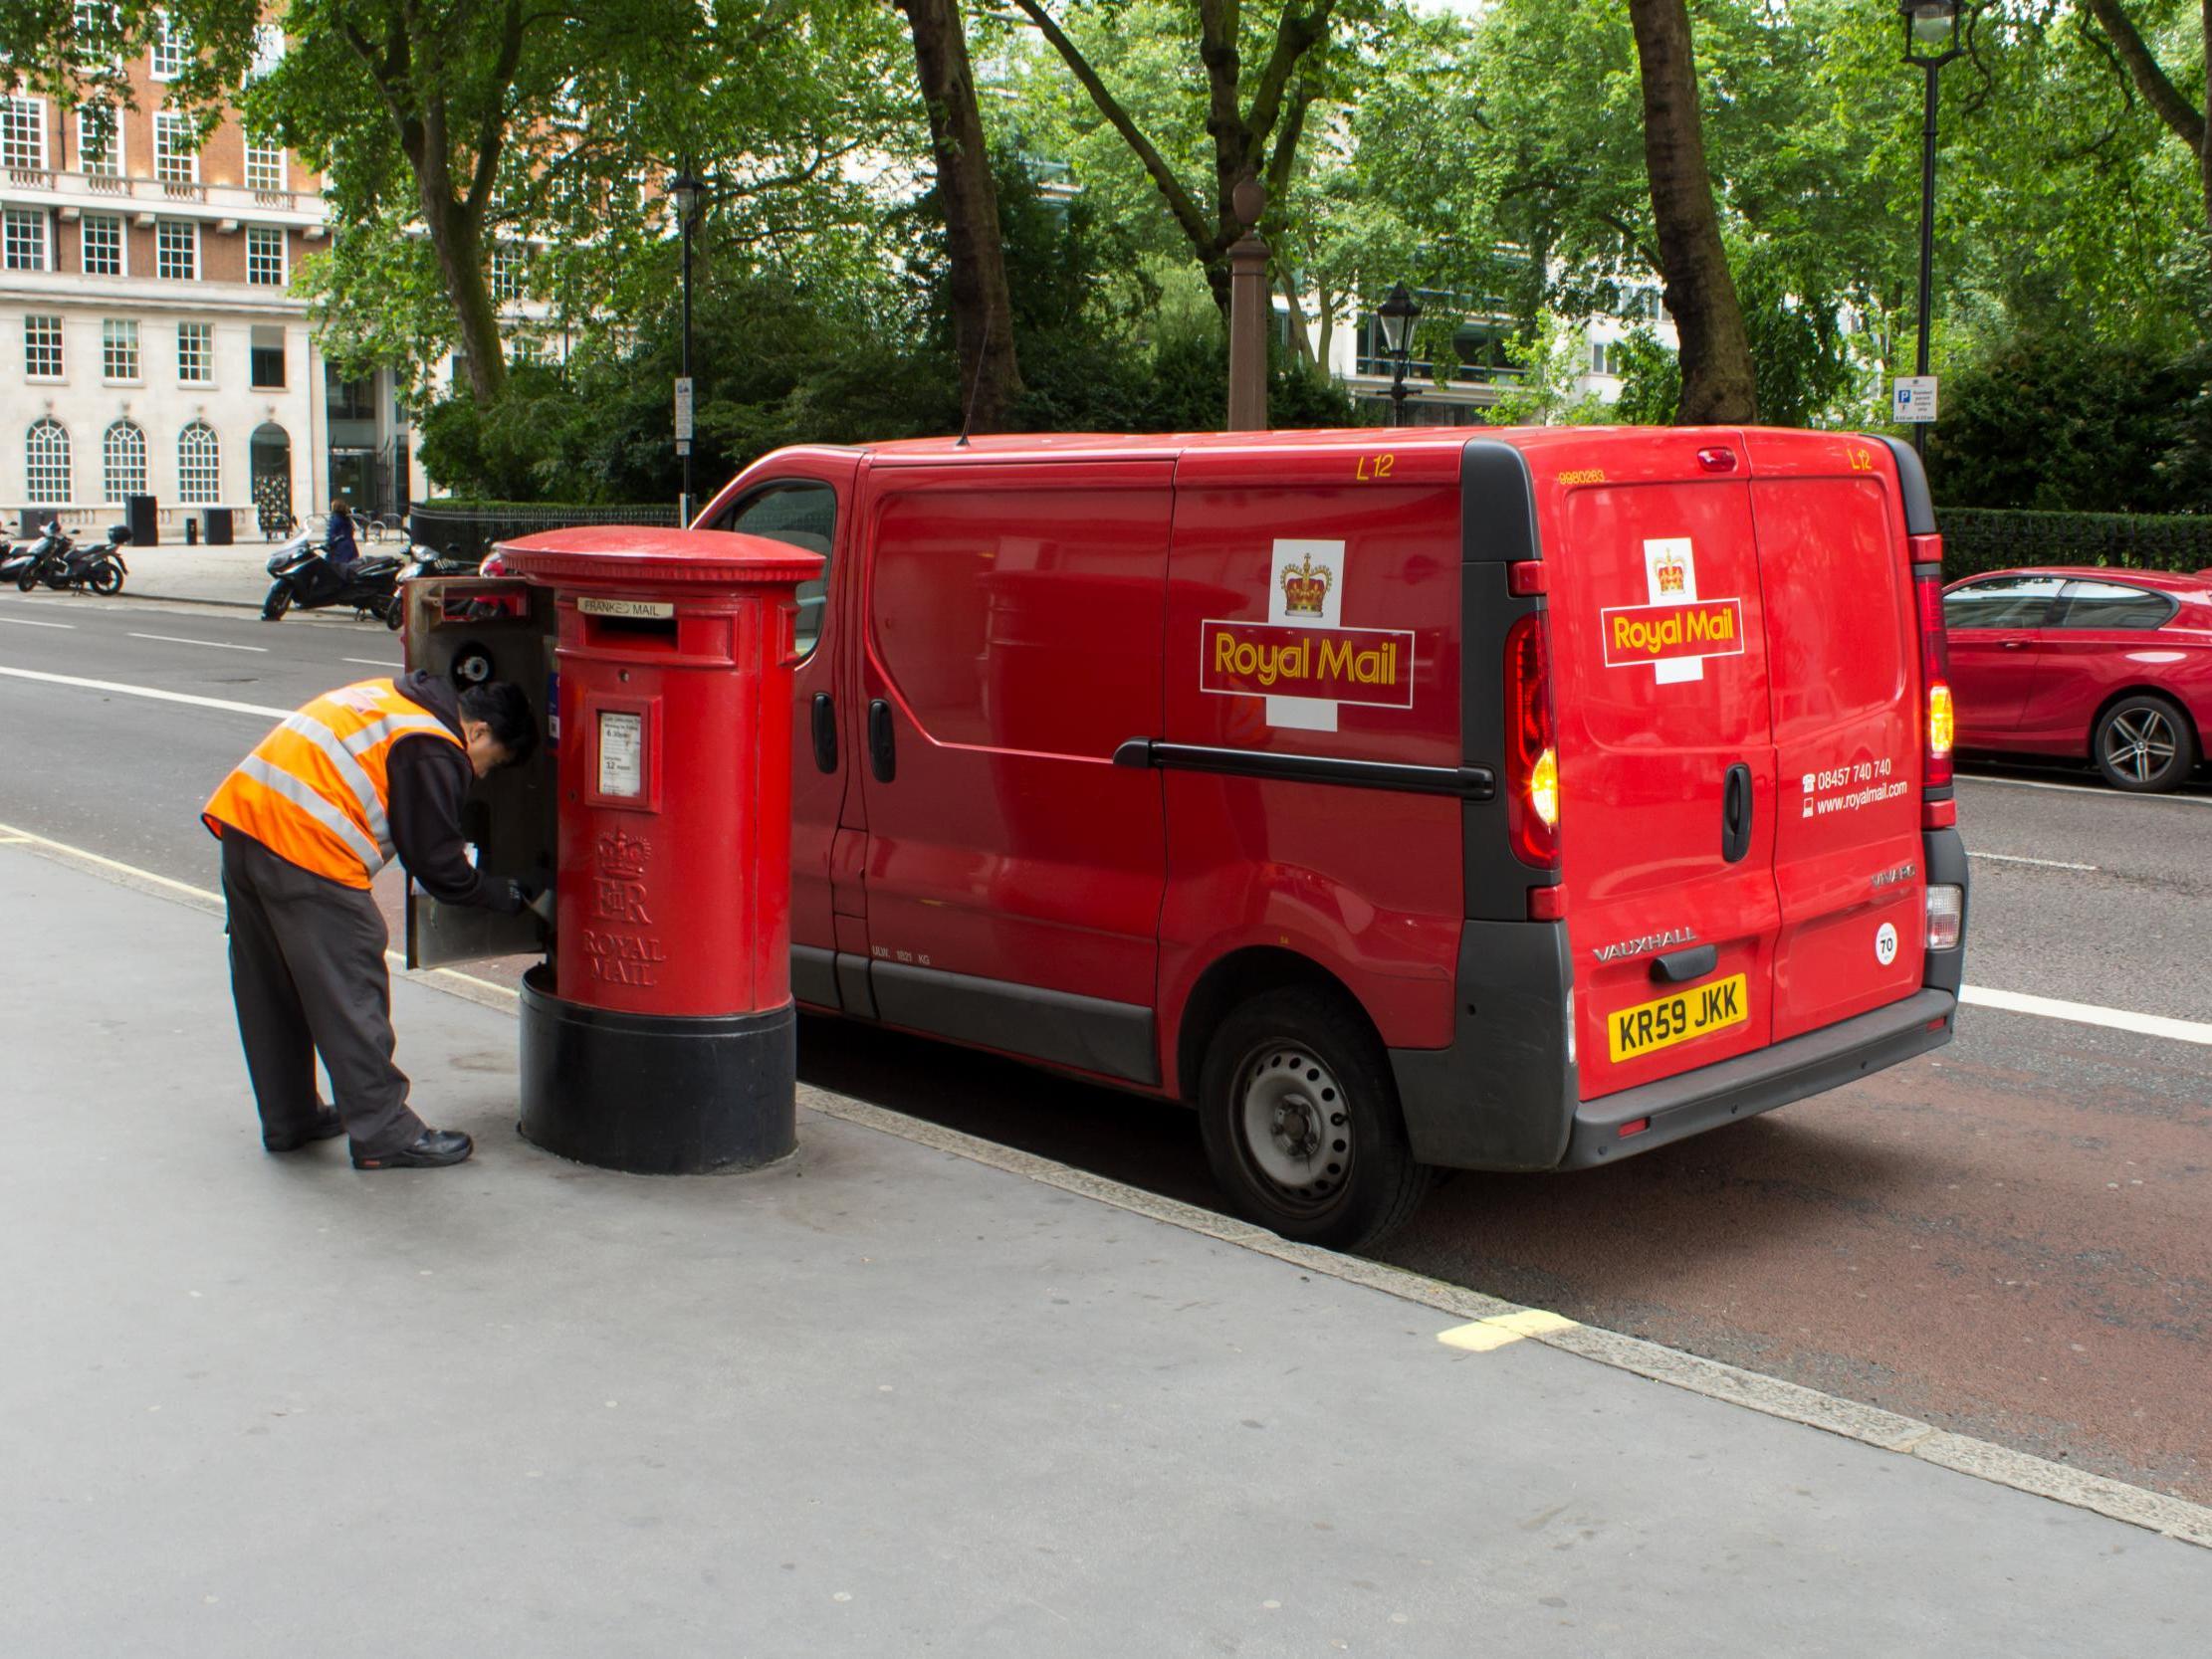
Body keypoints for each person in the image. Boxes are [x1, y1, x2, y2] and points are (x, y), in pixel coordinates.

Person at [202, 674, 541, 1169]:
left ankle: (290, 1118)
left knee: (272, 988)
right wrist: (508, 895)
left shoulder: (393, 698)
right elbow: (437, 866)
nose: (482, 777)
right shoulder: (435, 743)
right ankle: (384, 1133)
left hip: (246, 830)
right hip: (307, 847)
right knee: (351, 987)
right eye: (491, 765)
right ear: (480, 732)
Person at [325, 498, 358, 566]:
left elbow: (331, 535)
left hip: (339, 551)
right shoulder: (346, 518)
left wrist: (328, 545)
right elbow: (351, 532)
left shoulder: (335, 519)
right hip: (351, 548)